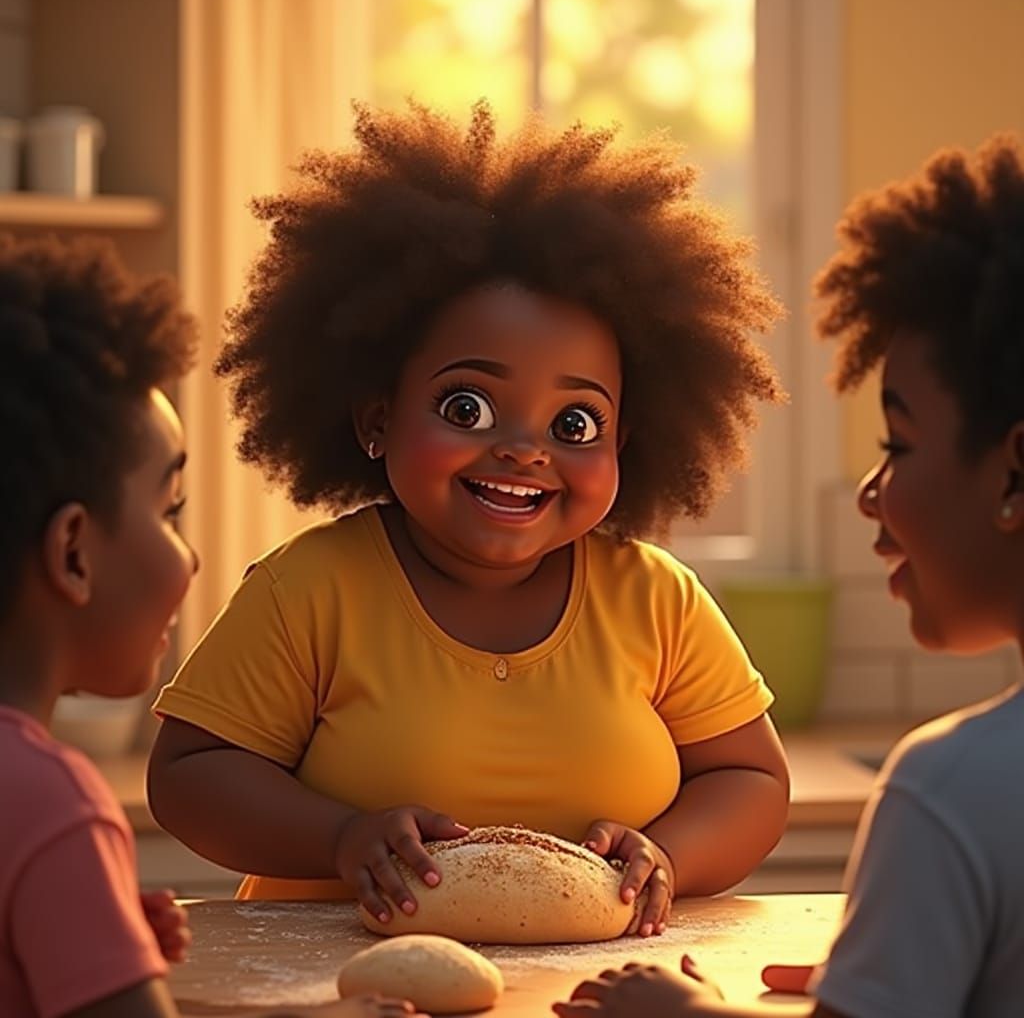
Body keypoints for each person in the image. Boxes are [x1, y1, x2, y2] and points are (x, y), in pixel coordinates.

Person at [146, 100, 791, 939]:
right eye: (467, 406)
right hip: (342, 989)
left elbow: (750, 780)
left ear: (626, 440)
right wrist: (340, 839)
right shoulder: (310, 589)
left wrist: (667, 853)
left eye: (574, 424)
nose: (524, 451)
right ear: (376, 416)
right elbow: (191, 774)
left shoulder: (657, 598)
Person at [553, 133, 1024, 1017]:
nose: (871, 494)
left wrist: (684, 1014)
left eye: (899, 446)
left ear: (1013, 475)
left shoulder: (949, 787)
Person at [0, 235, 421, 1018]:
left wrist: (89, 946)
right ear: (73, 553)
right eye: (169, 511)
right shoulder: (51, 803)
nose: (191, 560)